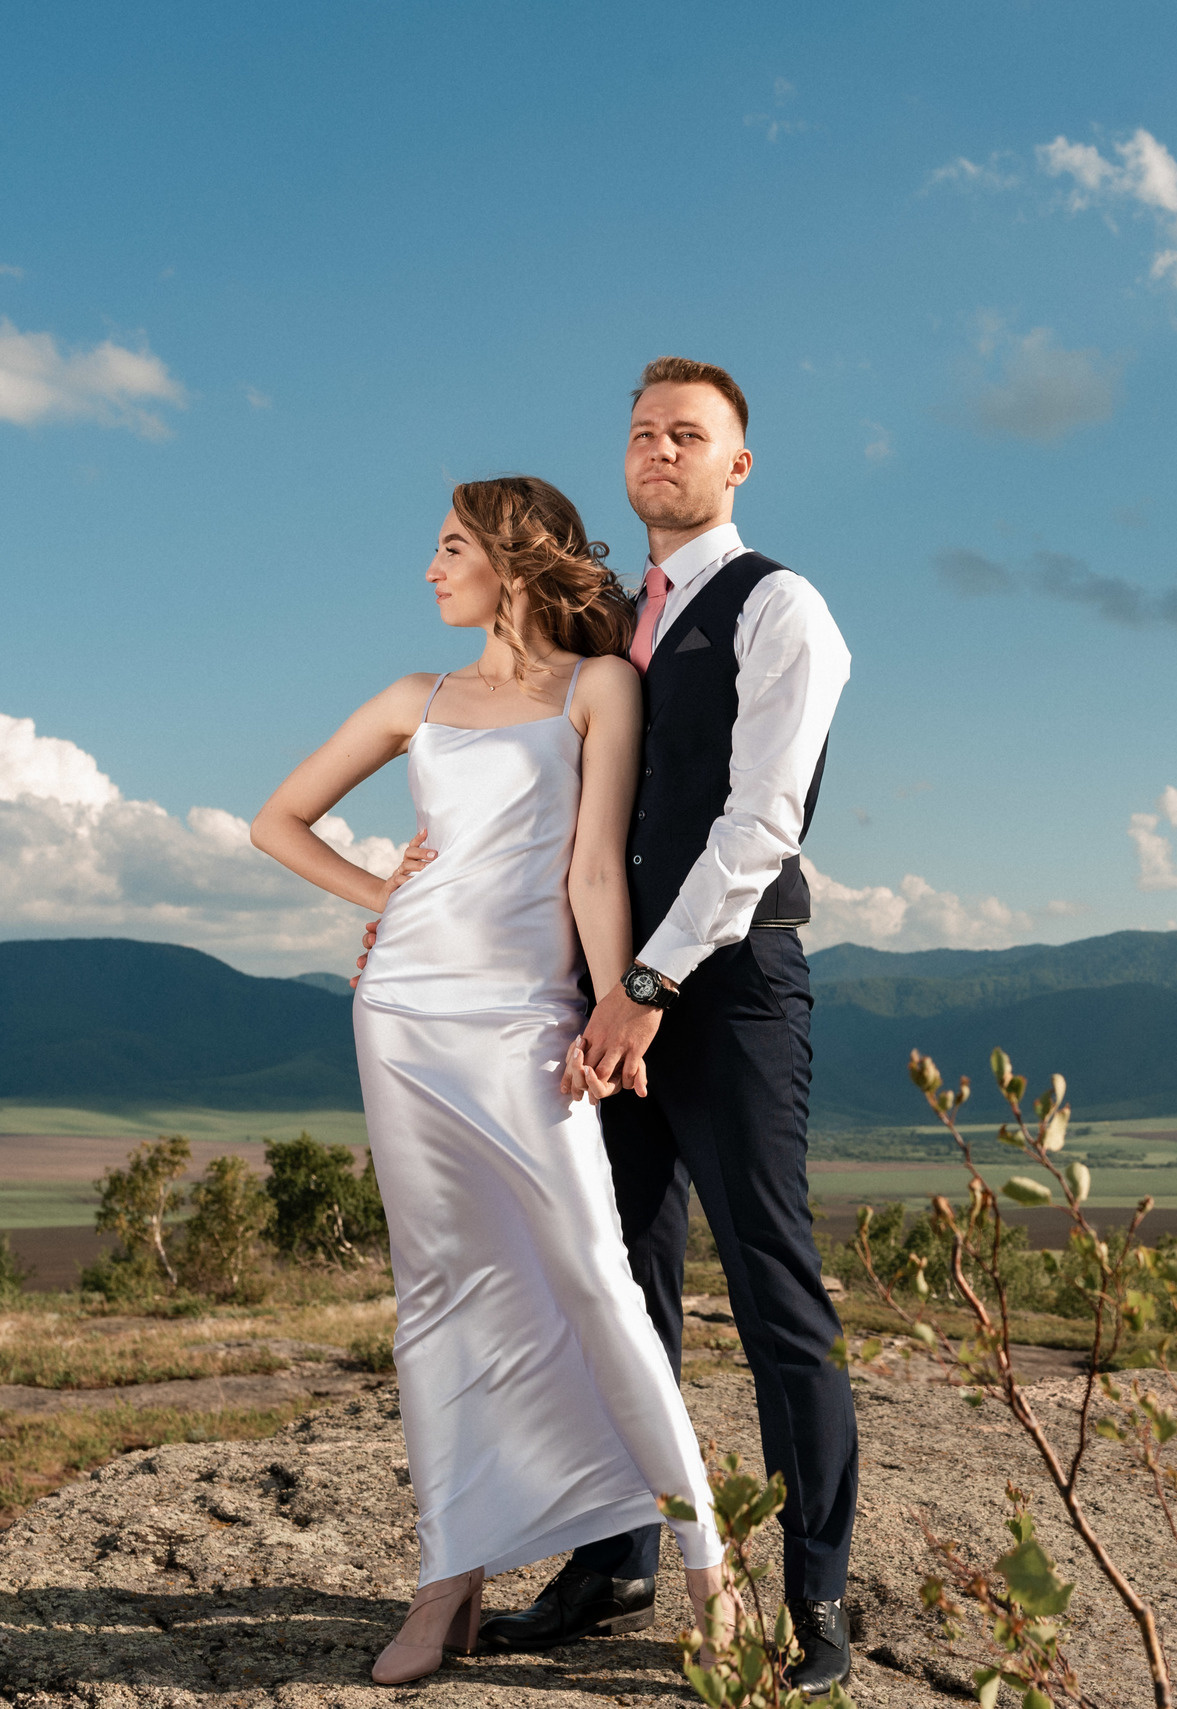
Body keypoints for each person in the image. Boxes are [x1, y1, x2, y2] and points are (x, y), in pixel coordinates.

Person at [375, 358, 858, 1690]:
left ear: (736, 465)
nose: (659, 451)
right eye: (642, 433)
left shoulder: (782, 608)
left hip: (727, 991)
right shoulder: (605, 632)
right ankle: (617, 1555)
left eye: (688, 435)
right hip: (591, 998)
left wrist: (646, 989)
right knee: (614, 1279)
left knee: (772, 1288)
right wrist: (421, 913)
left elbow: (763, 822)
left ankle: (818, 1594)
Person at [252, 476, 726, 1686]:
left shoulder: (596, 685)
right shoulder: (417, 696)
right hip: (402, 1016)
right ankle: (447, 1580)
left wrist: (620, 1010)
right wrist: (383, 898)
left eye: (449, 545)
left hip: (525, 1017)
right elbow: (279, 821)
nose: (429, 568)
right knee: (438, 1296)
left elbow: (591, 875)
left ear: (515, 558)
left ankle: (709, 1569)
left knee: (596, 1280)